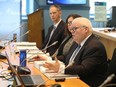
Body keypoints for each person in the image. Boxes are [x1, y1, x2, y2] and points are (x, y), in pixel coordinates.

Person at [43, 17, 108, 87]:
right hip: (73, 78)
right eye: (71, 29)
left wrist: (60, 68)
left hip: (85, 83)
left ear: (86, 29)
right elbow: (66, 58)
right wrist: (47, 59)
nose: (71, 31)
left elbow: (84, 69)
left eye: (75, 29)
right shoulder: (77, 42)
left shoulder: (95, 46)